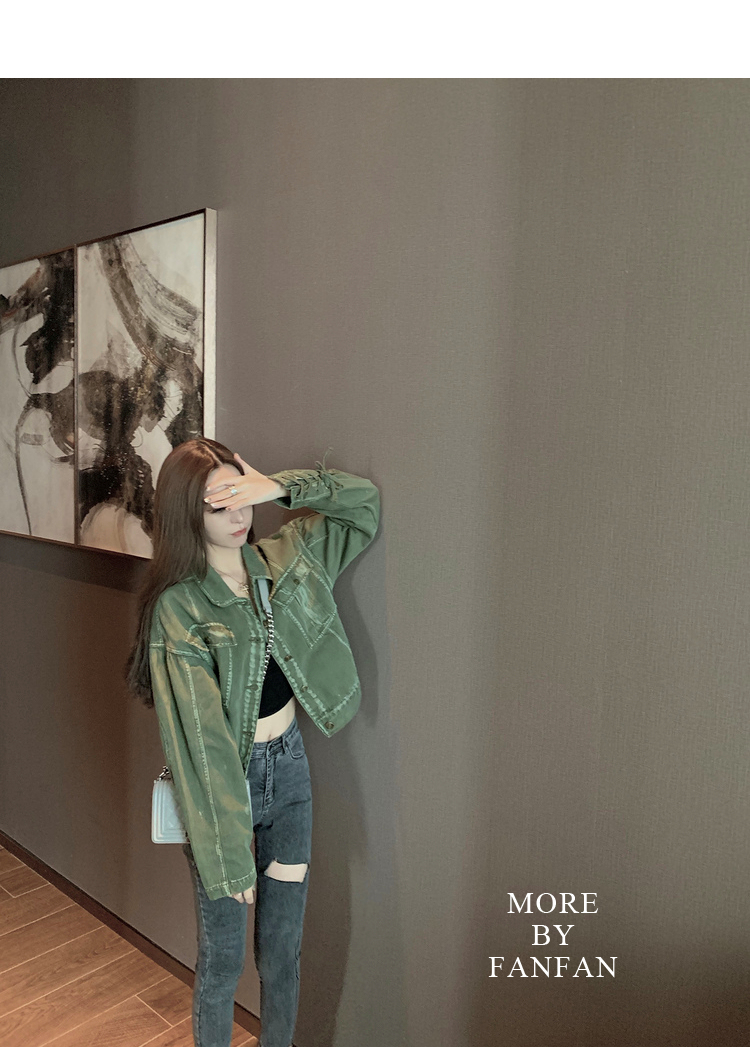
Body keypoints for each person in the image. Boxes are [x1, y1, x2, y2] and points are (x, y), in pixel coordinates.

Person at [125, 437, 380, 1047]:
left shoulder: (288, 557)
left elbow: (363, 507)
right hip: (222, 791)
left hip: (289, 775)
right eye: (219, 505)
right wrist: (226, 849)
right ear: (186, 513)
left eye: (242, 497)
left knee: (282, 953)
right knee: (223, 962)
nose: (239, 515)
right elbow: (203, 744)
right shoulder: (180, 608)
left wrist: (280, 486)